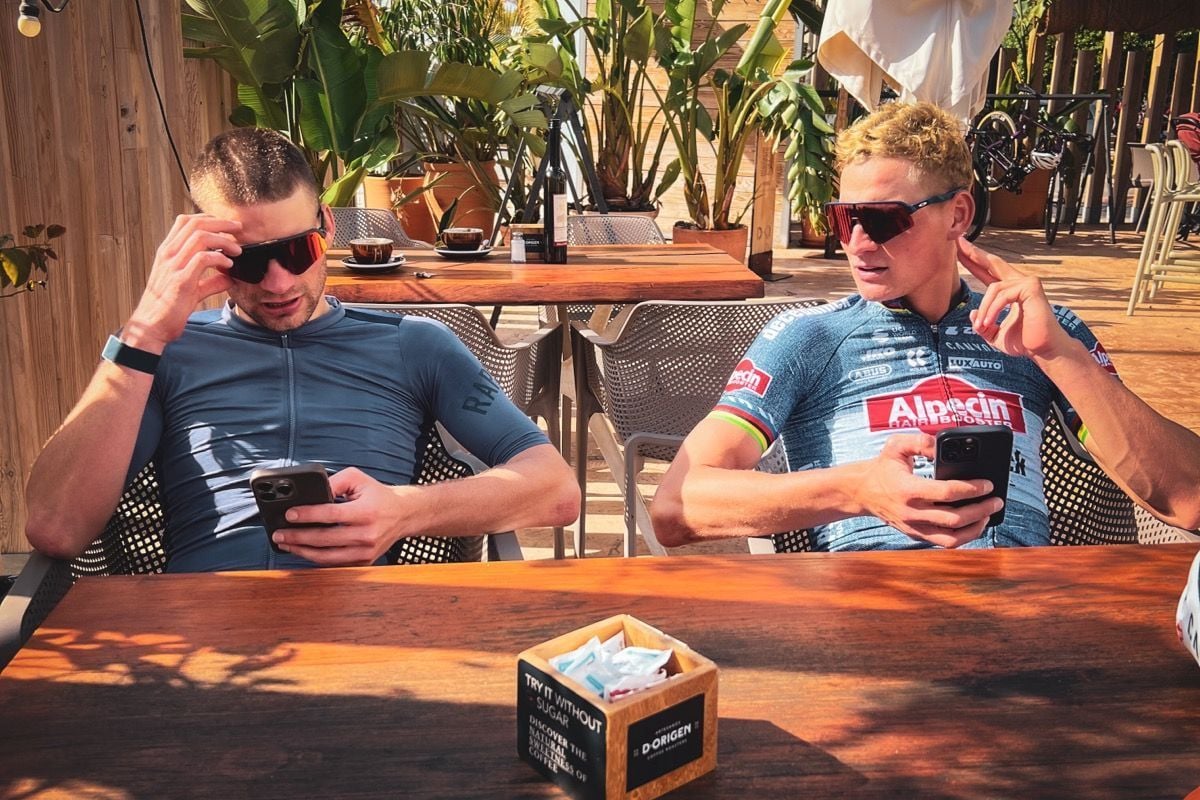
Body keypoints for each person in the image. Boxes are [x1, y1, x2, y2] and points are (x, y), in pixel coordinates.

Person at [652, 101, 1200, 550]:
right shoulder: (807, 337)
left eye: (884, 218)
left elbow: (1189, 496)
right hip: (868, 617)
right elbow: (676, 505)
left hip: (1025, 620)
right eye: (844, 218)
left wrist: (1060, 357)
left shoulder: (1044, 331)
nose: (858, 243)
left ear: (958, 215)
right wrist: (858, 490)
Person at [24, 128, 579, 571]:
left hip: (365, 630)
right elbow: (55, 527)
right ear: (208, 254)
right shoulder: (165, 356)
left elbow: (555, 489)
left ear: (328, 227)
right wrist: (144, 331)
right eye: (245, 259)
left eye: (297, 249)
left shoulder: (414, 345)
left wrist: (407, 511)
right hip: (204, 625)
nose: (278, 283)